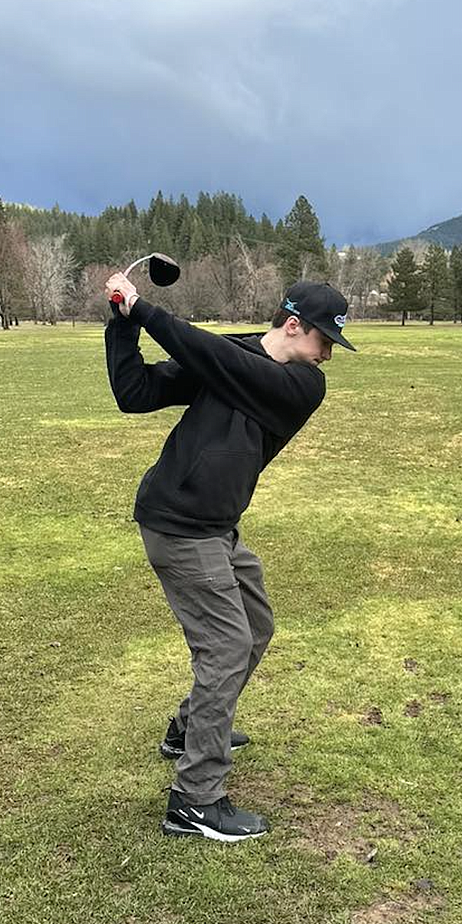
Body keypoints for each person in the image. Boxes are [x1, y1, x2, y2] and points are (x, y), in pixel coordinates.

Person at [103, 273, 355, 842]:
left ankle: (188, 729)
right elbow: (135, 393)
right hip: (179, 525)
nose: (328, 355)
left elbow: (219, 357)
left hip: (216, 526)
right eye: (325, 341)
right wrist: (120, 325)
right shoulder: (232, 358)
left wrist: (145, 309)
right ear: (294, 326)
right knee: (227, 647)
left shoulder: (300, 386)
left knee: (256, 626)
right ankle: (196, 799)